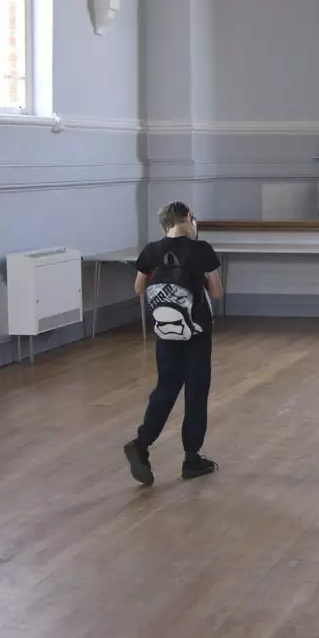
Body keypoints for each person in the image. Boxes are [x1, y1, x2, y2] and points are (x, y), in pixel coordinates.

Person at [123, 201, 223, 485]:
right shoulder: (201, 249)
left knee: (166, 387)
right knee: (195, 391)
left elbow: (139, 288)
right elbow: (216, 293)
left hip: (165, 333)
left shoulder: (151, 250)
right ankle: (191, 459)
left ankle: (142, 444)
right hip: (196, 332)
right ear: (188, 218)